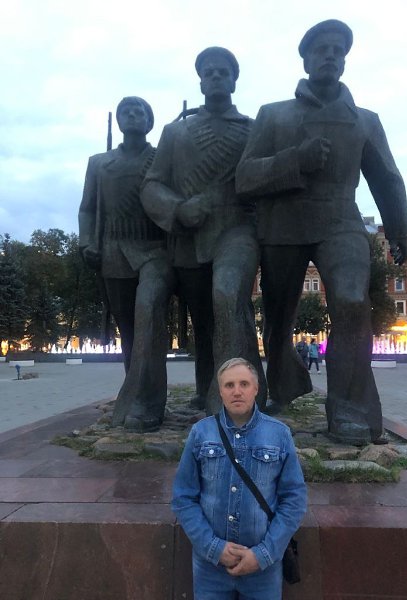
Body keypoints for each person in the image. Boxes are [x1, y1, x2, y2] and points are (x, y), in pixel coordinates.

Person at [236, 20, 407, 445]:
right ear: (306, 60)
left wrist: (398, 231)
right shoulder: (273, 114)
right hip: (283, 225)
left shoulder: (365, 120)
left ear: (345, 61)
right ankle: (284, 385)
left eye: (338, 50)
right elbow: (244, 178)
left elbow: (387, 178)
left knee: (352, 302)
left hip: (340, 222)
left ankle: (349, 410)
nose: (331, 55)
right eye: (322, 49)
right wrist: (296, 159)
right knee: (278, 318)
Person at [141, 47, 267, 414]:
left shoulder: (253, 130)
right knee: (204, 318)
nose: (215, 77)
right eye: (208, 72)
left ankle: (235, 401)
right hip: (190, 236)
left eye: (222, 72)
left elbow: (266, 179)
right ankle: (207, 390)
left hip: (237, 228)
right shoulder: (175, 132)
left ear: (233, 81)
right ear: (200, 82)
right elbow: (152, 184)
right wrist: (178, 208)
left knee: (228, 295)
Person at [172, 357, 307, 600]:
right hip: (210, 568)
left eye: (244, 384)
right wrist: (213, 547)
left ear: (256, 389)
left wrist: (263, 554)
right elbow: (183, 497)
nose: (237, 391)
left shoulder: (279, 434)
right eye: (229, 385)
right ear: (220, 392)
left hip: (262, 569)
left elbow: (294, 500)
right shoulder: (201, 433)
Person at [78, 97, 175, 432]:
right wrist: (87, 242)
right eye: (126, 112)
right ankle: (137, 395)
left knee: (148, 313)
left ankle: (149, 400)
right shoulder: (99, 163)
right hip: (114, 252)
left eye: (140, 111)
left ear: (150, 121)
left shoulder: (162, 157)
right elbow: (87, 208)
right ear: (119, 121)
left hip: (155, 250)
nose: (133, 115)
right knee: (130, 329)